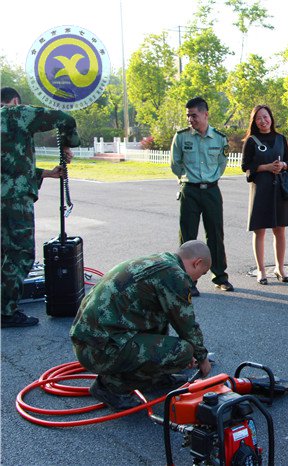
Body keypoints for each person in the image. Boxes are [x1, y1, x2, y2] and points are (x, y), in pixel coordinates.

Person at [70, 240, 213, 410]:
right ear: (197, 263)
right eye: (202, 273)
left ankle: (154, 379)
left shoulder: (161, 261)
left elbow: (159, 318)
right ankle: (110, 387)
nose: (197, 280)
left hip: (93, 340)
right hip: (98, 350)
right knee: (182, 352)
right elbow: (187, 325)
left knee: (160, 320)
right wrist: (202, 359)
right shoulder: (175, 276)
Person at [1, 87, 79, 328]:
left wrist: (48, 173)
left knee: (4, 253)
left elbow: (10, 167)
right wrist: (68, 144)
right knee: (20, 254)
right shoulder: (16, 114)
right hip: (13, 201)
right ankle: (5, 312)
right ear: (15, 101)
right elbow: (64, 118)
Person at [170, 96, 233, 296]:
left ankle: (220, 276)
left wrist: (210, 178)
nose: (190, 119)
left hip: (212, 191)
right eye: (188, 116)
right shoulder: (181, 137)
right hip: (189, 190)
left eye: (194, 115)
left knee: (215, 234)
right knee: (187, 236)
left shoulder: (219, 138)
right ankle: (187, 280)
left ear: (205, 114)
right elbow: (175, 163)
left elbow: (222, 163)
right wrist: (187, 178)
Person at [241, 105, 288, 284]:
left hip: (279, 188)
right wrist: (266, 167)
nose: (263, 121)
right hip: (260, 189)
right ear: (254, 122)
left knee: (280, 230)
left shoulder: (281, 138)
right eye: (259, 118)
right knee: (260, 231)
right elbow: (245, 166)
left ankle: (280, 268)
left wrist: (283, 166)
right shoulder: (251, 141)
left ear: (271, 118)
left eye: (266, 117)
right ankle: (261, 271)